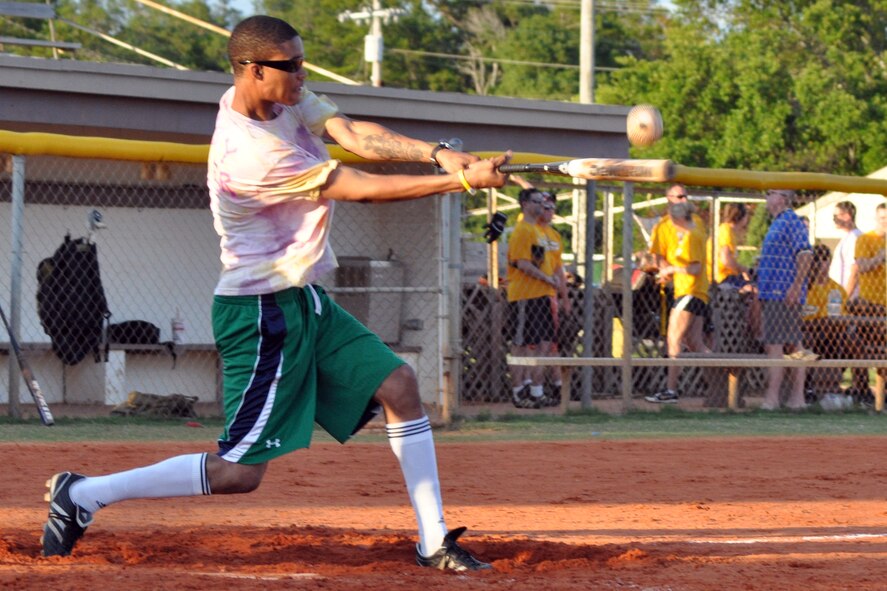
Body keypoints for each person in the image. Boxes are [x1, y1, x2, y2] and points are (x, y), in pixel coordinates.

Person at [40, 15, 510, 572]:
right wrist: (457, 182)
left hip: (303, 299)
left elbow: (353, 134)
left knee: (400, 385)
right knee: (239, 473)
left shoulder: (276, 100)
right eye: (291, 67)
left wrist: (439, 154)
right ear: (253, 70)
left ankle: (433, 541)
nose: (301, 75)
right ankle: (84, 494)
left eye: (301, 62)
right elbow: (357, 187)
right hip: (261, 314)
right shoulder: (251, 152)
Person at [644, 200, 711, 403]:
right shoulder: (689, 236)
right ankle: (720, 383)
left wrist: (672, 270)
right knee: (695, 343)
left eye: (673, 221)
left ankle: (671, 390)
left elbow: (695, 269)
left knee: (674, 340)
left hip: (689, 292)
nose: (671, 225)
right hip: (694, 292)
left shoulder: (692, 236)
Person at [757, 189, 814, 410]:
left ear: (782, 198)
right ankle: (795, 399)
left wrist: (796, 285)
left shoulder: (791, 220)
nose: (766, 197)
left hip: (782, 293)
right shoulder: (778, 222)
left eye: (770, 193)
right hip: (773, 292)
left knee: (777, 345)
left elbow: (805, 254)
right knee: (791, 345)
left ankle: (774, 399)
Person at [506, 187, 561, 409]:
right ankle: (519, 391)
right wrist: (547, 279)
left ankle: (537, 391)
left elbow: (539, 260)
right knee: (520, 344)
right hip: (525, 296)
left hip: (542, 295)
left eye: (543, 201)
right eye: (536, 201)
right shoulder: (522, 230)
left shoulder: (538, 231)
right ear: (525, 204)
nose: (541, 205)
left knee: (543, 344)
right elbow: (522, 262)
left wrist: (551, 282)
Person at [845, 202, 887, 401]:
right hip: (870, 304)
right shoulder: (865, 239)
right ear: (876, 219)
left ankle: (883, 394)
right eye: (882, 218)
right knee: (856, 342)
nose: (885, 222)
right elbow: (860, 267)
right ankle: (862, 390)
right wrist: (880, 258)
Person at [801, 244, 847, 397]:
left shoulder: (837, 289)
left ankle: (862, 390)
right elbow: (801, 321)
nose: (821, 264)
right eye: (817, 260)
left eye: (825, 260)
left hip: (834, 335)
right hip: (810, 333)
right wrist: (819, 323)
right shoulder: (804, 288)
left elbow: (842, 318)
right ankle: (807, 388)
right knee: (807, 340)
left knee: (854, 342)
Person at [708, 202, 751, 287]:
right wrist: (742, 269)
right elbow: (726, 260)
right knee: (754, 290)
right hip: (722, 278)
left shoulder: (729, 231)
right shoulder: (726, 230)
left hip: (727, 276)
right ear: (741, 217)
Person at [829, 201, 863, 299]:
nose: (834, 219)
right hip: (838, 294)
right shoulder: (847, 237)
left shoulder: (855, 237)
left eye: (836, 216)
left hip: (847, 296)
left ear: (847, 216)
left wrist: (845, 298)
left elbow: (855, 271)